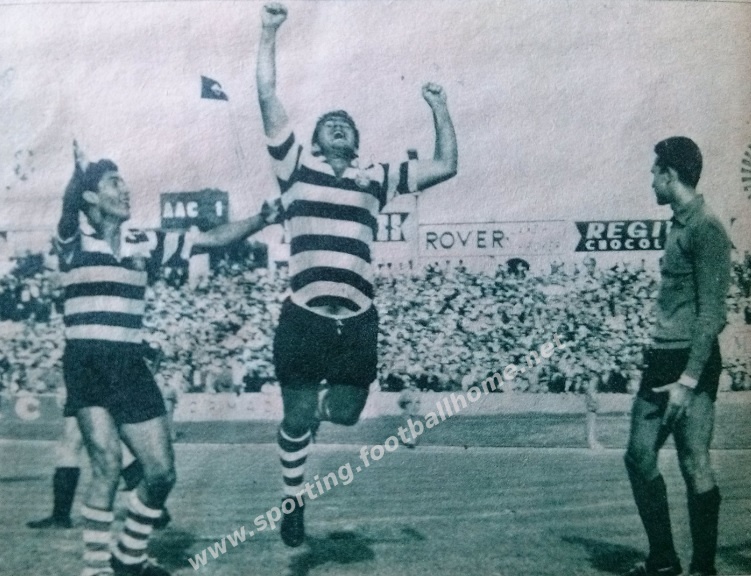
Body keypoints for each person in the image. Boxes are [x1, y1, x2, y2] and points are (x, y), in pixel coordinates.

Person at [256, 2, 457, 548]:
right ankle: (293, 501)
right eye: (330, 123)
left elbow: (446, 165)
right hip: (304, 314)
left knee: (345, 414)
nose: (338, 124)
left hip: (359, 318)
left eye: (346, 123)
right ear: (317, 139)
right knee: (297, 417)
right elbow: (267, 96)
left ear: (356, 139)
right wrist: (269, 31)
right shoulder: (295, 166)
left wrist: (440, 107)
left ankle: (313, 416)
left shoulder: (376, 177)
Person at [57, 141, 277, 576]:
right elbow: (68, 208)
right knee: (106, 466)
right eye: (114, 183)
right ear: (91, 196)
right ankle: (96, 569)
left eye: (124, 182)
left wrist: (262, 218)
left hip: (128, 363)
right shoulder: (73, 240)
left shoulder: (145, 241)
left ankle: (128, 558)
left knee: (160, 474)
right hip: (84, 361)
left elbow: (209, 239)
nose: (125, 190)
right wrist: (77, 174)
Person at [623, 137, 731, 576]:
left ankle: (703, 568)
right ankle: (664, 561)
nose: (651, 180)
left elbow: (712, 315)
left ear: (670, 174)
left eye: (655, 173)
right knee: (638, 456)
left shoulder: (707, 228)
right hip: (662, 357)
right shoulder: (679, 224)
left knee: (693, 461)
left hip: (691, 360)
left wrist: (688, 380)